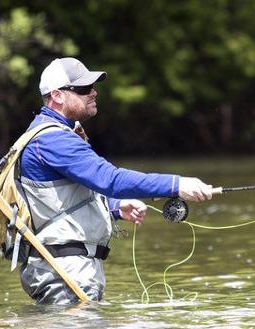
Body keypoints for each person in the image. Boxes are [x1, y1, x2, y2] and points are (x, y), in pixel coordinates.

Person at [18, 57, 213, 304]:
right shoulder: (53, 141)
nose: (93, 92)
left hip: (65, 270)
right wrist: (176, 184)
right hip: (66, 274)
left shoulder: (50, 134)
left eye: (92, 87)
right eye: (83, 89)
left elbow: (61, 196)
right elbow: (110, 179)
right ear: (57, 96)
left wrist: (115, 207)